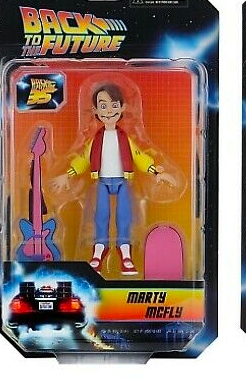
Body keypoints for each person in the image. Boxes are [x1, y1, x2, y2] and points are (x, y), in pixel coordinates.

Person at [52, 83, 175, 275]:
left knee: (124, 218)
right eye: (103, 106)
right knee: (100, 218)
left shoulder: (125, 138)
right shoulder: (95, 140)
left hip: (122, 182)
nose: (109, 111)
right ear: (95, 110)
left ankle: (125, 256)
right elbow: (83, 158)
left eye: (114, 105)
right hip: (101, 182)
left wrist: (157, 173)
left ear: (122, 107)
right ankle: (98, 255)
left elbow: (139, 156)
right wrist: (67, 175)